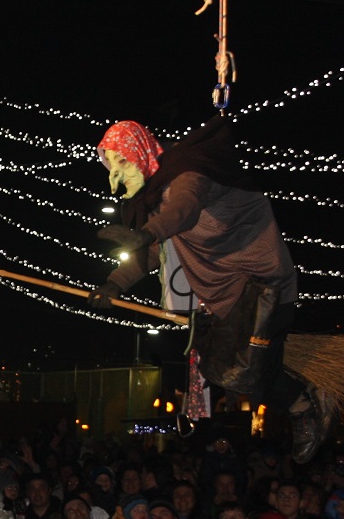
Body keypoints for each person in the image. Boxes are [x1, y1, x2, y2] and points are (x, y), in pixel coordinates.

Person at [89, 116, 331, 463]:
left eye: (122, 161)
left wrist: (148, 232)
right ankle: (300, 390)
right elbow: (155, 251)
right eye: (109, 165)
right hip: (226, 297)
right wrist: (114, 283)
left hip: (262, 284)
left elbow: (183, 211)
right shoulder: (155, 196)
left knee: (244, 374)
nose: (116, 175)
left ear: (140, 151)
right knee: (217, 370)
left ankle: (304, 405)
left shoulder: (189, 174)